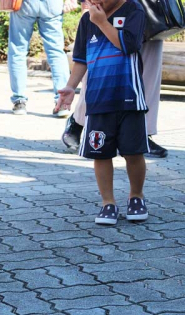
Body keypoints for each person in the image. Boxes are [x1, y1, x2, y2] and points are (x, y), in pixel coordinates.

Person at [55, 0, 150, 225]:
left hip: (129, 98)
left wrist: (102, 22)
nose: (94, 2)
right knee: (101, 153)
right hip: (98, 100)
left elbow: (128, 45)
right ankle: (108, 203)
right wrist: (71, 87)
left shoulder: (134, 10)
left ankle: (136, 196)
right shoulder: (88, 19)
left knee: (133, 152)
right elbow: (80, 59)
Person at [62, 0, 167, 158]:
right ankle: (79, 121)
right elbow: (82, 59)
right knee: (99, 65)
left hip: (151, 9)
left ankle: (142, 133)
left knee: (148, 72)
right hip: (111, 9)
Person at [7, 0, 72, 117]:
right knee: (56, 52)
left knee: (18, 50)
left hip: (25, 4)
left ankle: (19, 101)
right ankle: (62, 102)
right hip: (52, 4)